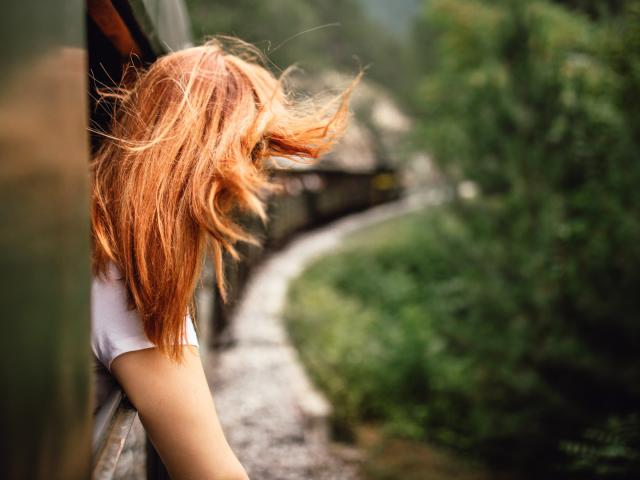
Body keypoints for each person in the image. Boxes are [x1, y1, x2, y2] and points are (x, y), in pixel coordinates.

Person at [90, 38, 359, 479]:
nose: (253, 181)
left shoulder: (84, 226)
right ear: (206, 161)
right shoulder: (130, 280)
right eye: (251, 155)